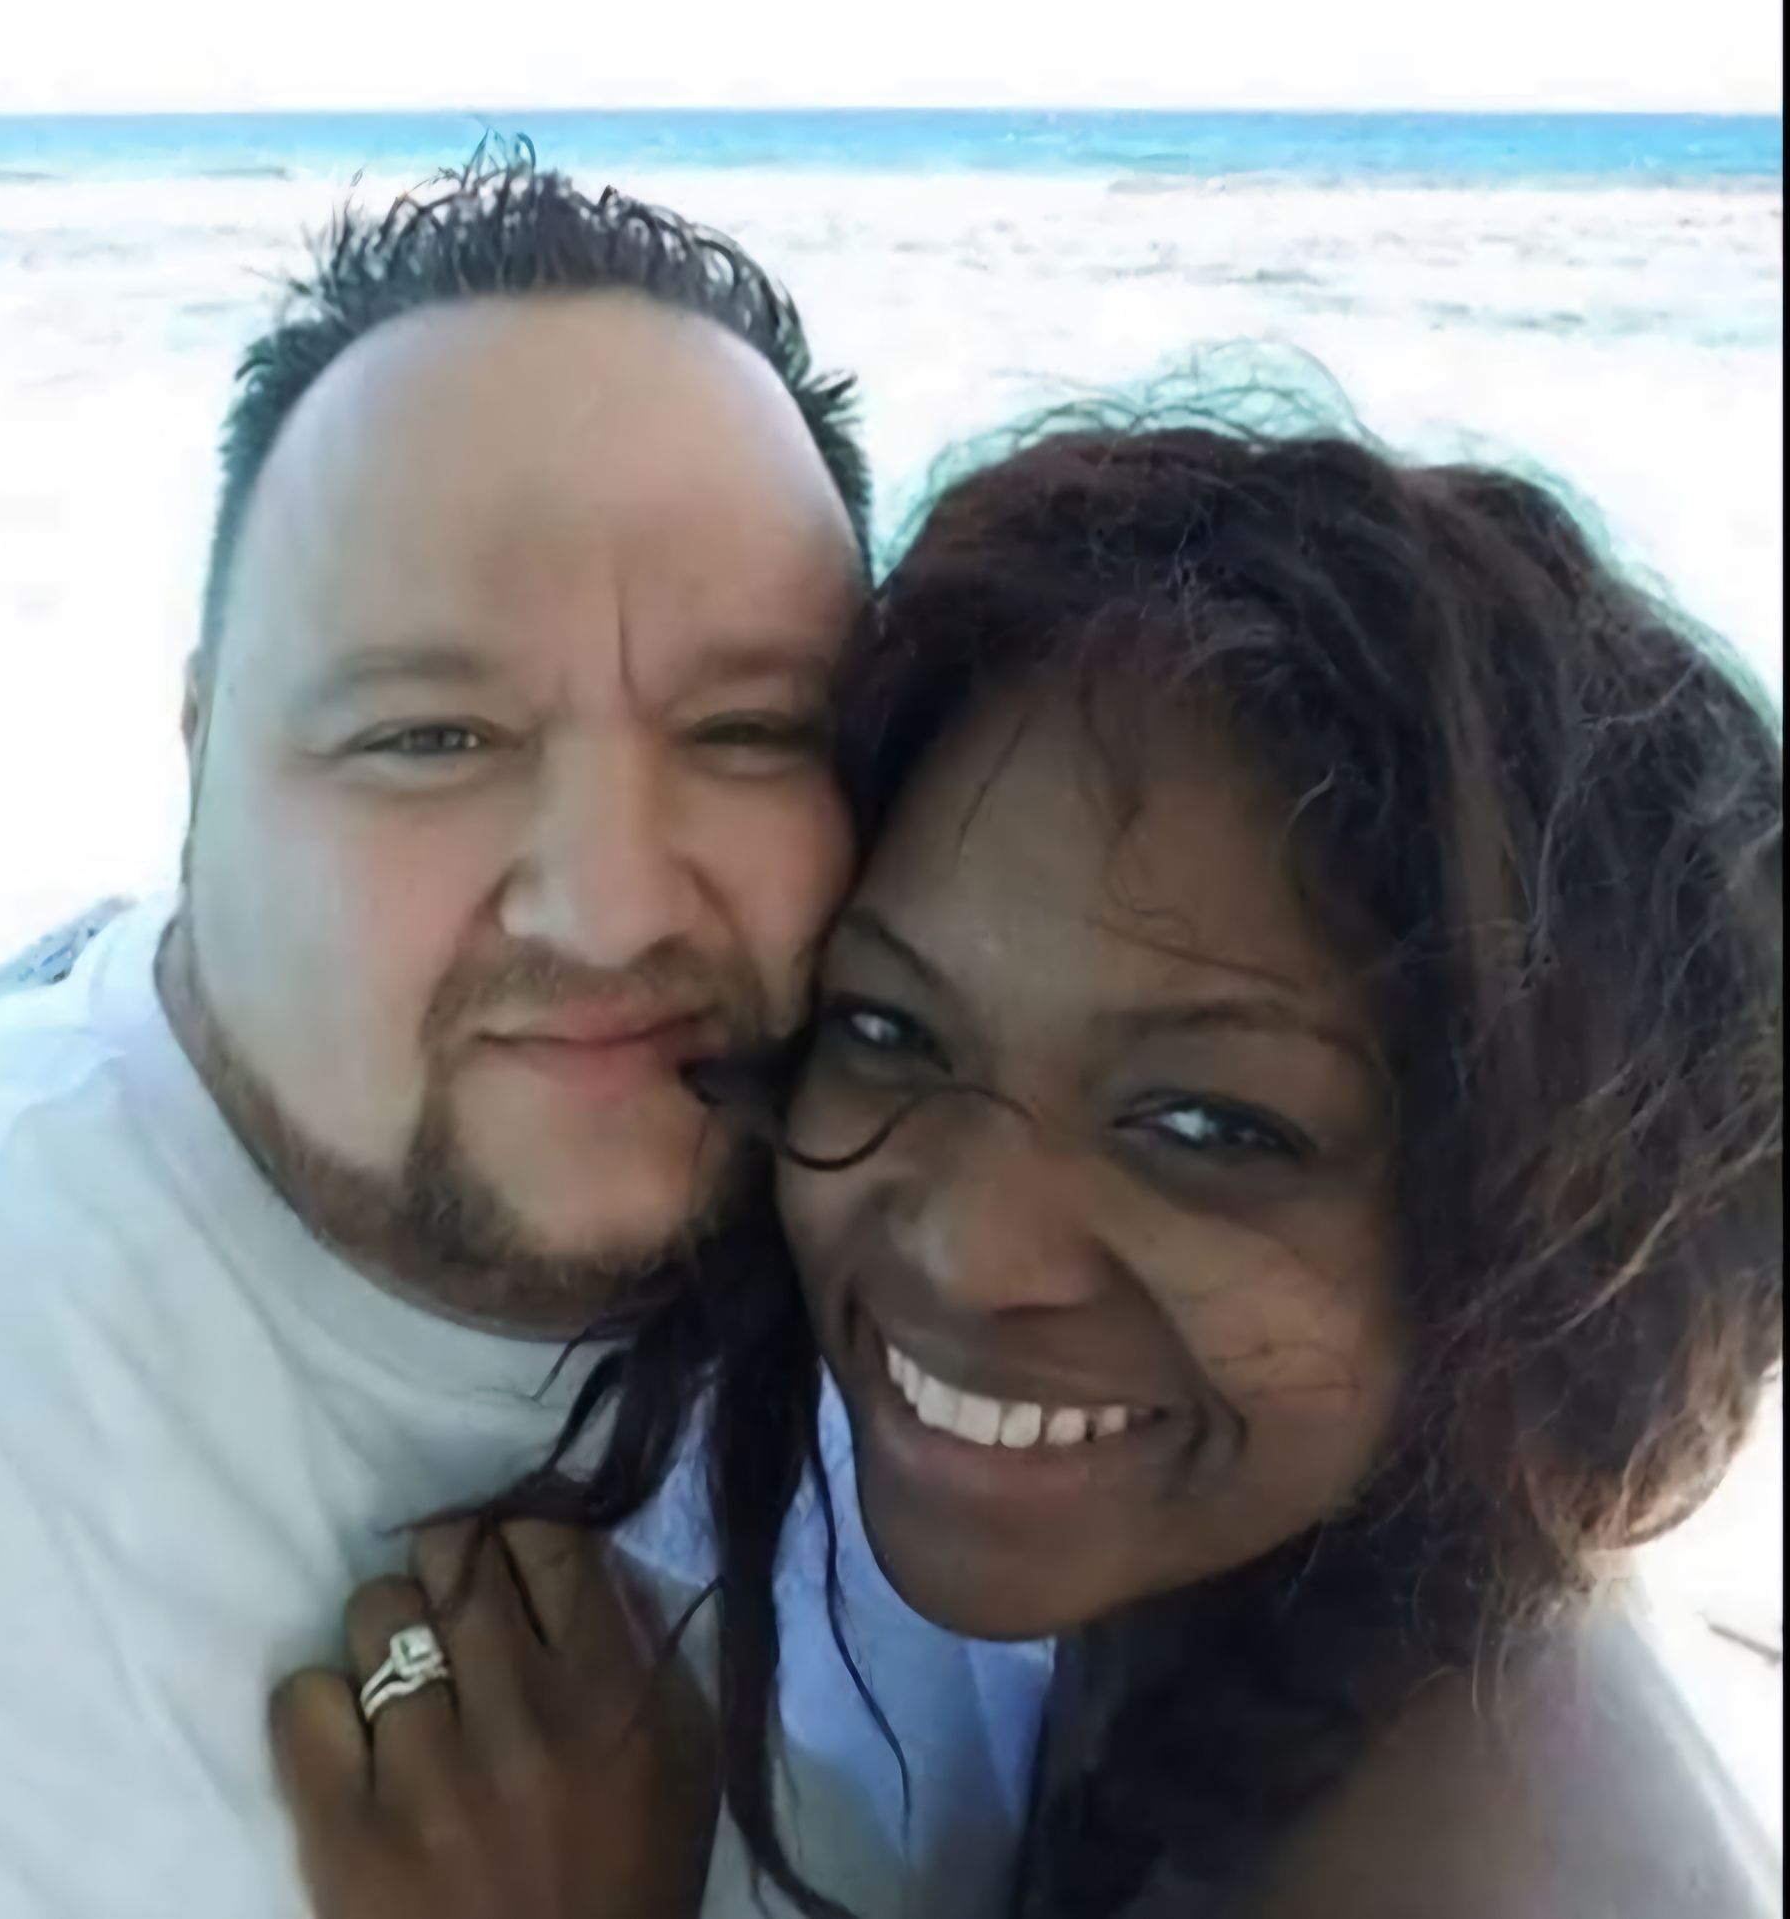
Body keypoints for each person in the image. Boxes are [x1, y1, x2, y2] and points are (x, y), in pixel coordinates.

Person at [287, 385, 1783, 1917]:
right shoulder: (1295, 1611)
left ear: (1556, 1230)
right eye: (889, 1029)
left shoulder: (1474, 1869)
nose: (966, 1250)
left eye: (1208, 1125)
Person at [0, 148, 1044, 1918]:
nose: (610, 908)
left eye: (747, 731)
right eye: (430, 738)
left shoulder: (974, 1274)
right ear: (198, 767)